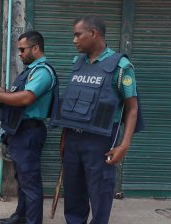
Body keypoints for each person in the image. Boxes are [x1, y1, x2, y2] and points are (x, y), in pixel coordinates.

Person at [50, 15, 143, 224]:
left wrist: (124, 145)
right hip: (74, 139)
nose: (74, 40)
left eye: (77, 35)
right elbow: (71, 105)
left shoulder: (121, 66)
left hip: (101, 141)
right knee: (73, 194)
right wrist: (65, 137)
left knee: (100, 195)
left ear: (93, 33)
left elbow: (132, 108)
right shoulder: (78, 62)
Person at [0, 31, 57, 224]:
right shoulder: (30, 71)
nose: (20, 53)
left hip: (29, 131)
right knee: (22, 178)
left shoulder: (42, 72)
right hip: (19, 131)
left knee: (29, 182)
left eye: (22, 49)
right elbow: (17, 94)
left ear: (36, 48)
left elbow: (26, 98)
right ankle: (21, 216)